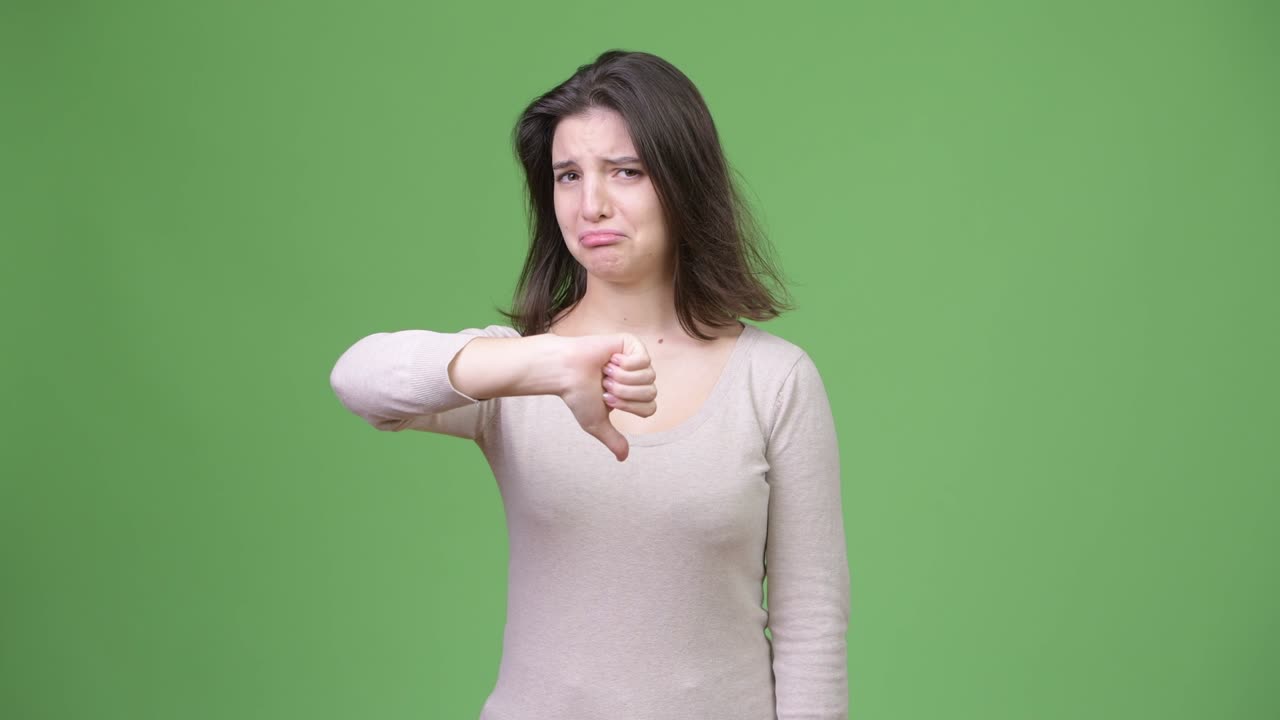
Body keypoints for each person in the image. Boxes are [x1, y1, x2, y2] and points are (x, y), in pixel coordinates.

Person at [329, 49, 850, 719]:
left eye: (626, 171)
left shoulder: (774, 380)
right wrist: (543, 365)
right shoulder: (515, 370)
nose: (591, 205)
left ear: (684, 181)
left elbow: (812, 625)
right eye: (568, 176)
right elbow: (358, 380)